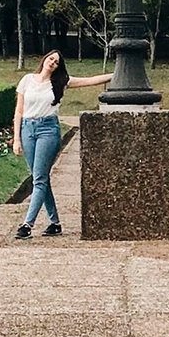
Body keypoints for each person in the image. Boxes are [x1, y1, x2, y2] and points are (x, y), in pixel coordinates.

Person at [13, 48, 107, 237]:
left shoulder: (60, 82)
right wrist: (16, 138)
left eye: (56, 62)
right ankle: (55, 223)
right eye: (51, 59)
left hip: (48, 130)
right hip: (27, 129)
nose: (53, 63)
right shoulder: (27, 80)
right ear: (44, 59)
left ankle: (27, 225)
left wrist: (115, 74)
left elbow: (89, 81)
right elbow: (19, 111)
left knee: (39, 179)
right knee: (39, 177)